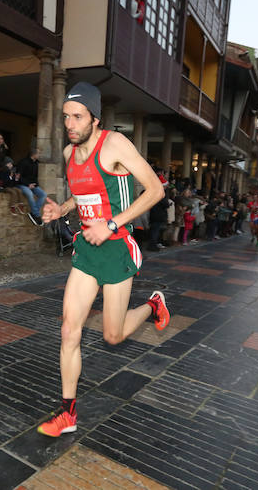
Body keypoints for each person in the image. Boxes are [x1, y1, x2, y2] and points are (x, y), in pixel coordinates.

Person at [38, 82, 169, 437]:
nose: (71, 124)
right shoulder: (69, 154)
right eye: (66, 117)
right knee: (69, 330)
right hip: (87, 250)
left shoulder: (114, 144)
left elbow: (155, 190)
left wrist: (111, 223)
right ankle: (68, 414)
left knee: (112, 336)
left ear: (95, 118)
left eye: (78, 117)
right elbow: (82, 198)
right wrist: (60, 209)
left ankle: (153, 306)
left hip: (115, 247)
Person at [15, 147, 47, 226]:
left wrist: (34, 184)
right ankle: (36, 215)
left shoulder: (36, 163)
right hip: (22, 184)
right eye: (38, 153)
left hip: (33, 185)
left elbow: (35, 177)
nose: (39, 155)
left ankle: (33, 212)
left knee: (43, 195)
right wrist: (28, 184)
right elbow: (18, 177)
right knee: (30, 194)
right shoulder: (23, 162)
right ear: (34, 154)